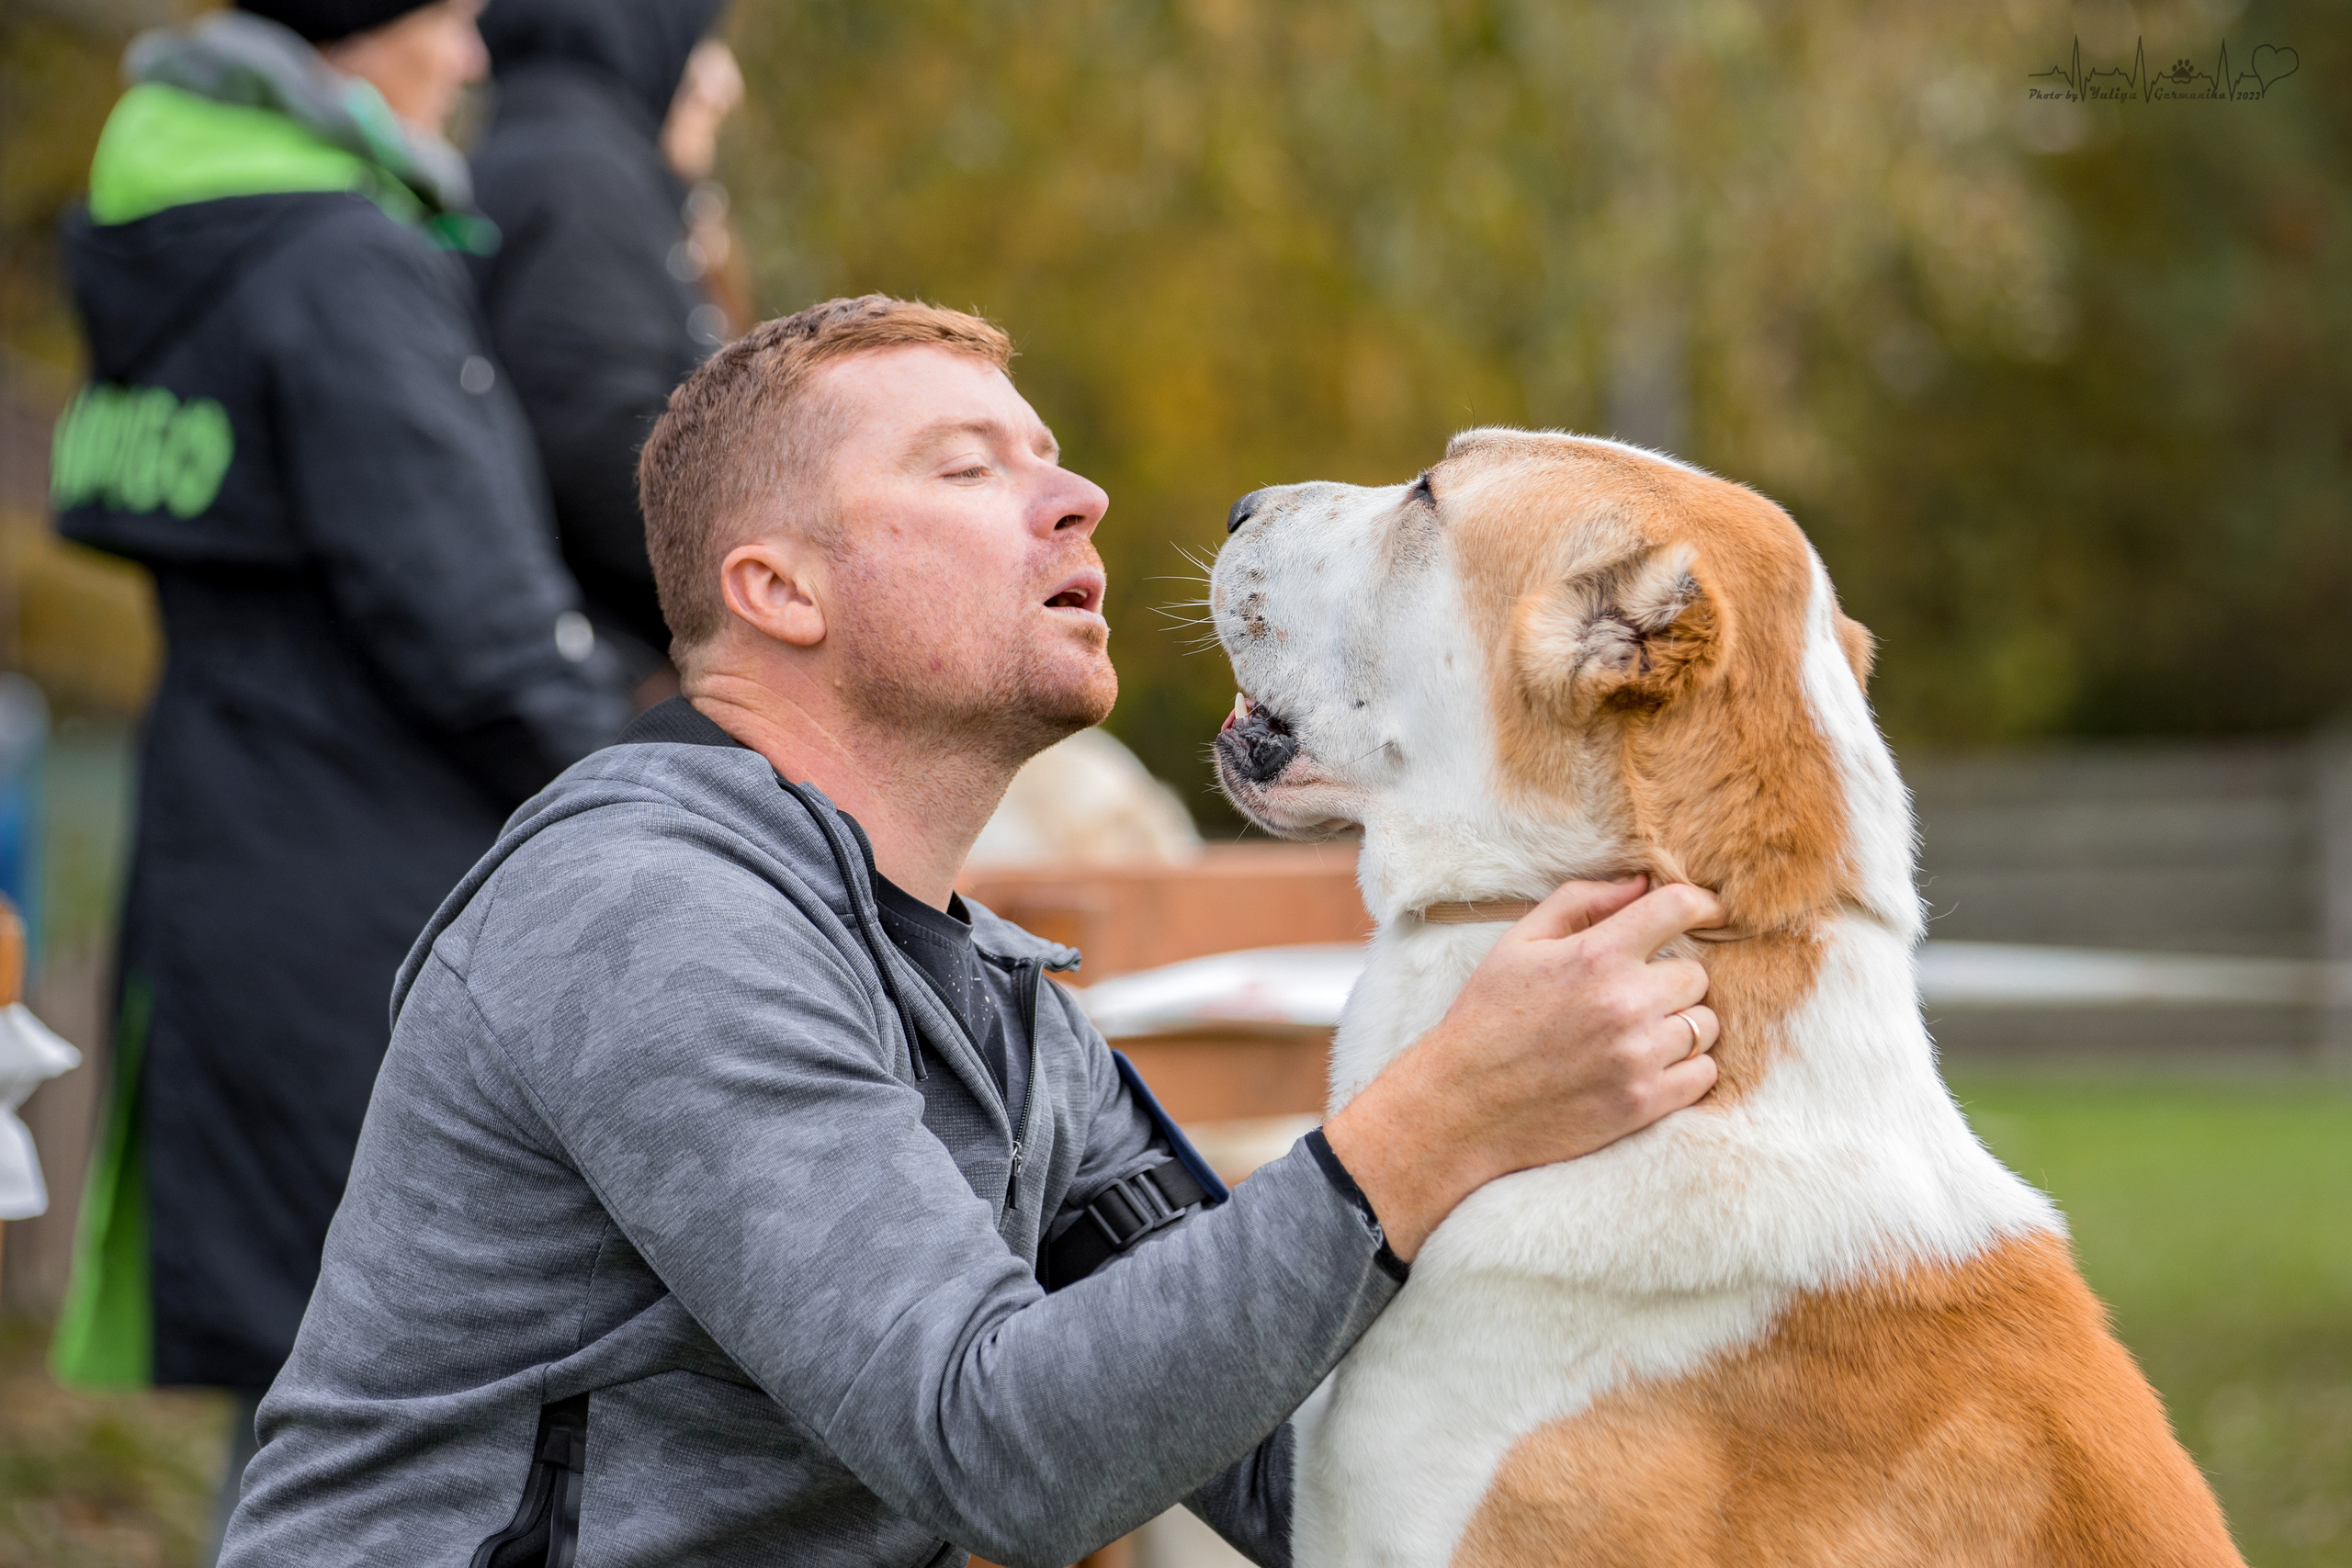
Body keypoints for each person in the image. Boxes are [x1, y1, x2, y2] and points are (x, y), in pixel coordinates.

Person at [217, 297, 1724, 1568]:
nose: (1079, 503)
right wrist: (1446, 1115)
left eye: (1055, 463)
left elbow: (1285, 1459)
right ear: (778, 588)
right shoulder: (649, 914)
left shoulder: (996, 1005)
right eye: (966, 465)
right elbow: (997, 1442)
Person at [43, 0, 628, 1542]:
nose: (474, 54)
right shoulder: (342, 265)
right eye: (444, 15)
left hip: (221, 862)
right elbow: (479, 622)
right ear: (354, 34)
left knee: (307, 1383)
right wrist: (676, 800)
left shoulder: (183, 243)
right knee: (395, 1378)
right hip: (369, 897)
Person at [469, 0, 747, 700]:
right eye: (701, 46)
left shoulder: (575, 166)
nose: (725, 84)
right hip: (609, 690)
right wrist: (789, 578)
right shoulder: (580, 182)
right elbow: (603, 446)